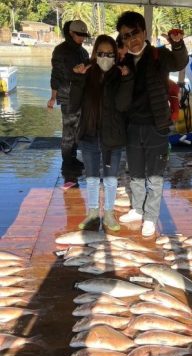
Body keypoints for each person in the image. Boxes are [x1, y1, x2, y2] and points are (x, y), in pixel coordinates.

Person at [116, 11, 188, 237]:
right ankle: (137, 209)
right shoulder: (124, 60)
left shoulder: (159, 55)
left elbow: (180, 61)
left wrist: (178, 44)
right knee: (135, 172)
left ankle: (150, 217)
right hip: (132, 126)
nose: (131, 39)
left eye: (135, 33)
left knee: (155, 176)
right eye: (126, 36)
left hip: (156, 125)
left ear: (144, 32)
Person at [69, 34, 134, 231]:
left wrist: (127, 80)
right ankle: (92, 213)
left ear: (116, 55)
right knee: (90, 178)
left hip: (112, 138)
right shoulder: (86, 73)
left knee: (111, 179)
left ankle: (108, 214)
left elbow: (123, 105)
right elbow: (72, 105)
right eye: (101, 53)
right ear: (94, 53)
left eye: (110, 53)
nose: (105, 57)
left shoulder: (120, 74)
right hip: (89, 134)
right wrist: (78, 79)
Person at [47, 20, 90, 171]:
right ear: (71, 33)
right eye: (80, 35)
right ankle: (67, 163)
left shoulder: (83, 52)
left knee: (77, 131)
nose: (82, 39)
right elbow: (57, 75)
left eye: (84, 36)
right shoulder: (60, 51)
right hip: (68, 96)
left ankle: (72, 158)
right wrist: (53, 97)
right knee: (68, 132)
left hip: (82, 96)